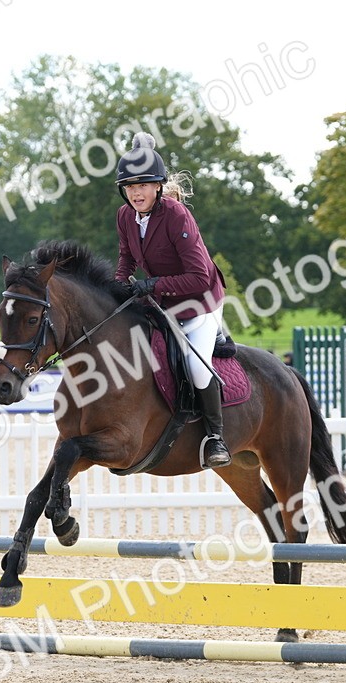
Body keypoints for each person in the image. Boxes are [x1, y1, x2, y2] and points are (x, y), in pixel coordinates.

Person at [113, 131, 231, 468]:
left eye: (143, 185)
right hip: (163, 300)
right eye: (130, 186)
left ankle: (215, 437)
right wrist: (118, 285)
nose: (136, 192)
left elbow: (198, 276)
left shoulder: (177, 216)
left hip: (200, 301)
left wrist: (152, 284)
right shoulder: (125, 217)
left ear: (158, 187)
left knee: (195, 365)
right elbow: (126, 258)